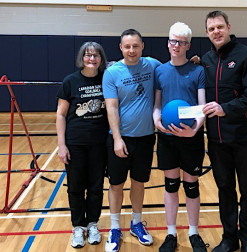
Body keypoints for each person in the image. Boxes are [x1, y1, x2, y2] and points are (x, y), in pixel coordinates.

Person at [201, 11, 247, 252]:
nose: (216, 32)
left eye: (219, 27)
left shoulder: (246, 55)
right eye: (211, 29)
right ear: (207, 33)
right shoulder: (206, 59)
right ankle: (230, 239)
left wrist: (225, 109)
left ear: (228, 27)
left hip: (245, 138)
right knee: (225, 190)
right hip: (217, 140)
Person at [102, 29, 161, 252]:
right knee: (116, 184)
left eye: (135, 46)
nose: (131, 50)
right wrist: (117, 138)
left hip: (146, 137)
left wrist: (194, 61)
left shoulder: (152, 65)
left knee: (139, 182)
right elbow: (112, 106)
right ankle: (115, 228)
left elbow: (174, 68)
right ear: (120, 48)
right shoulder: (112, 72)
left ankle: (136, 223)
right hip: (120, 139)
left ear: (142, 46)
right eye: (127, 46)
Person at [153, 22, 208, 252]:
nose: (176, 45)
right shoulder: (159, 71)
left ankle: (194, 233)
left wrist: (194, 130)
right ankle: (171, 233)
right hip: (167, 137)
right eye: (173, 41)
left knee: (192, 186)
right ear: (168, 43)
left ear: (188, 45)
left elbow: (203, 106)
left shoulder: (198, 71)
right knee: (171, 185)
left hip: (191, 136)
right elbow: (157, 105)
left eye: (181, 42)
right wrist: (157, 120)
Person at [56, 42, 108, 248]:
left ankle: (93, 224)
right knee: (76, 187)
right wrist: (62, 145)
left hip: (99, 142)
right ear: (82, 58)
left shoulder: (107, 78)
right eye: (88, 56)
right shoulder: (70, 81)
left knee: (96, 187)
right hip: (75, 142)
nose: (92, 59)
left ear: (101, 58)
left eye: (96, 55)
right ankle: (78, 227)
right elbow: (60, 114)